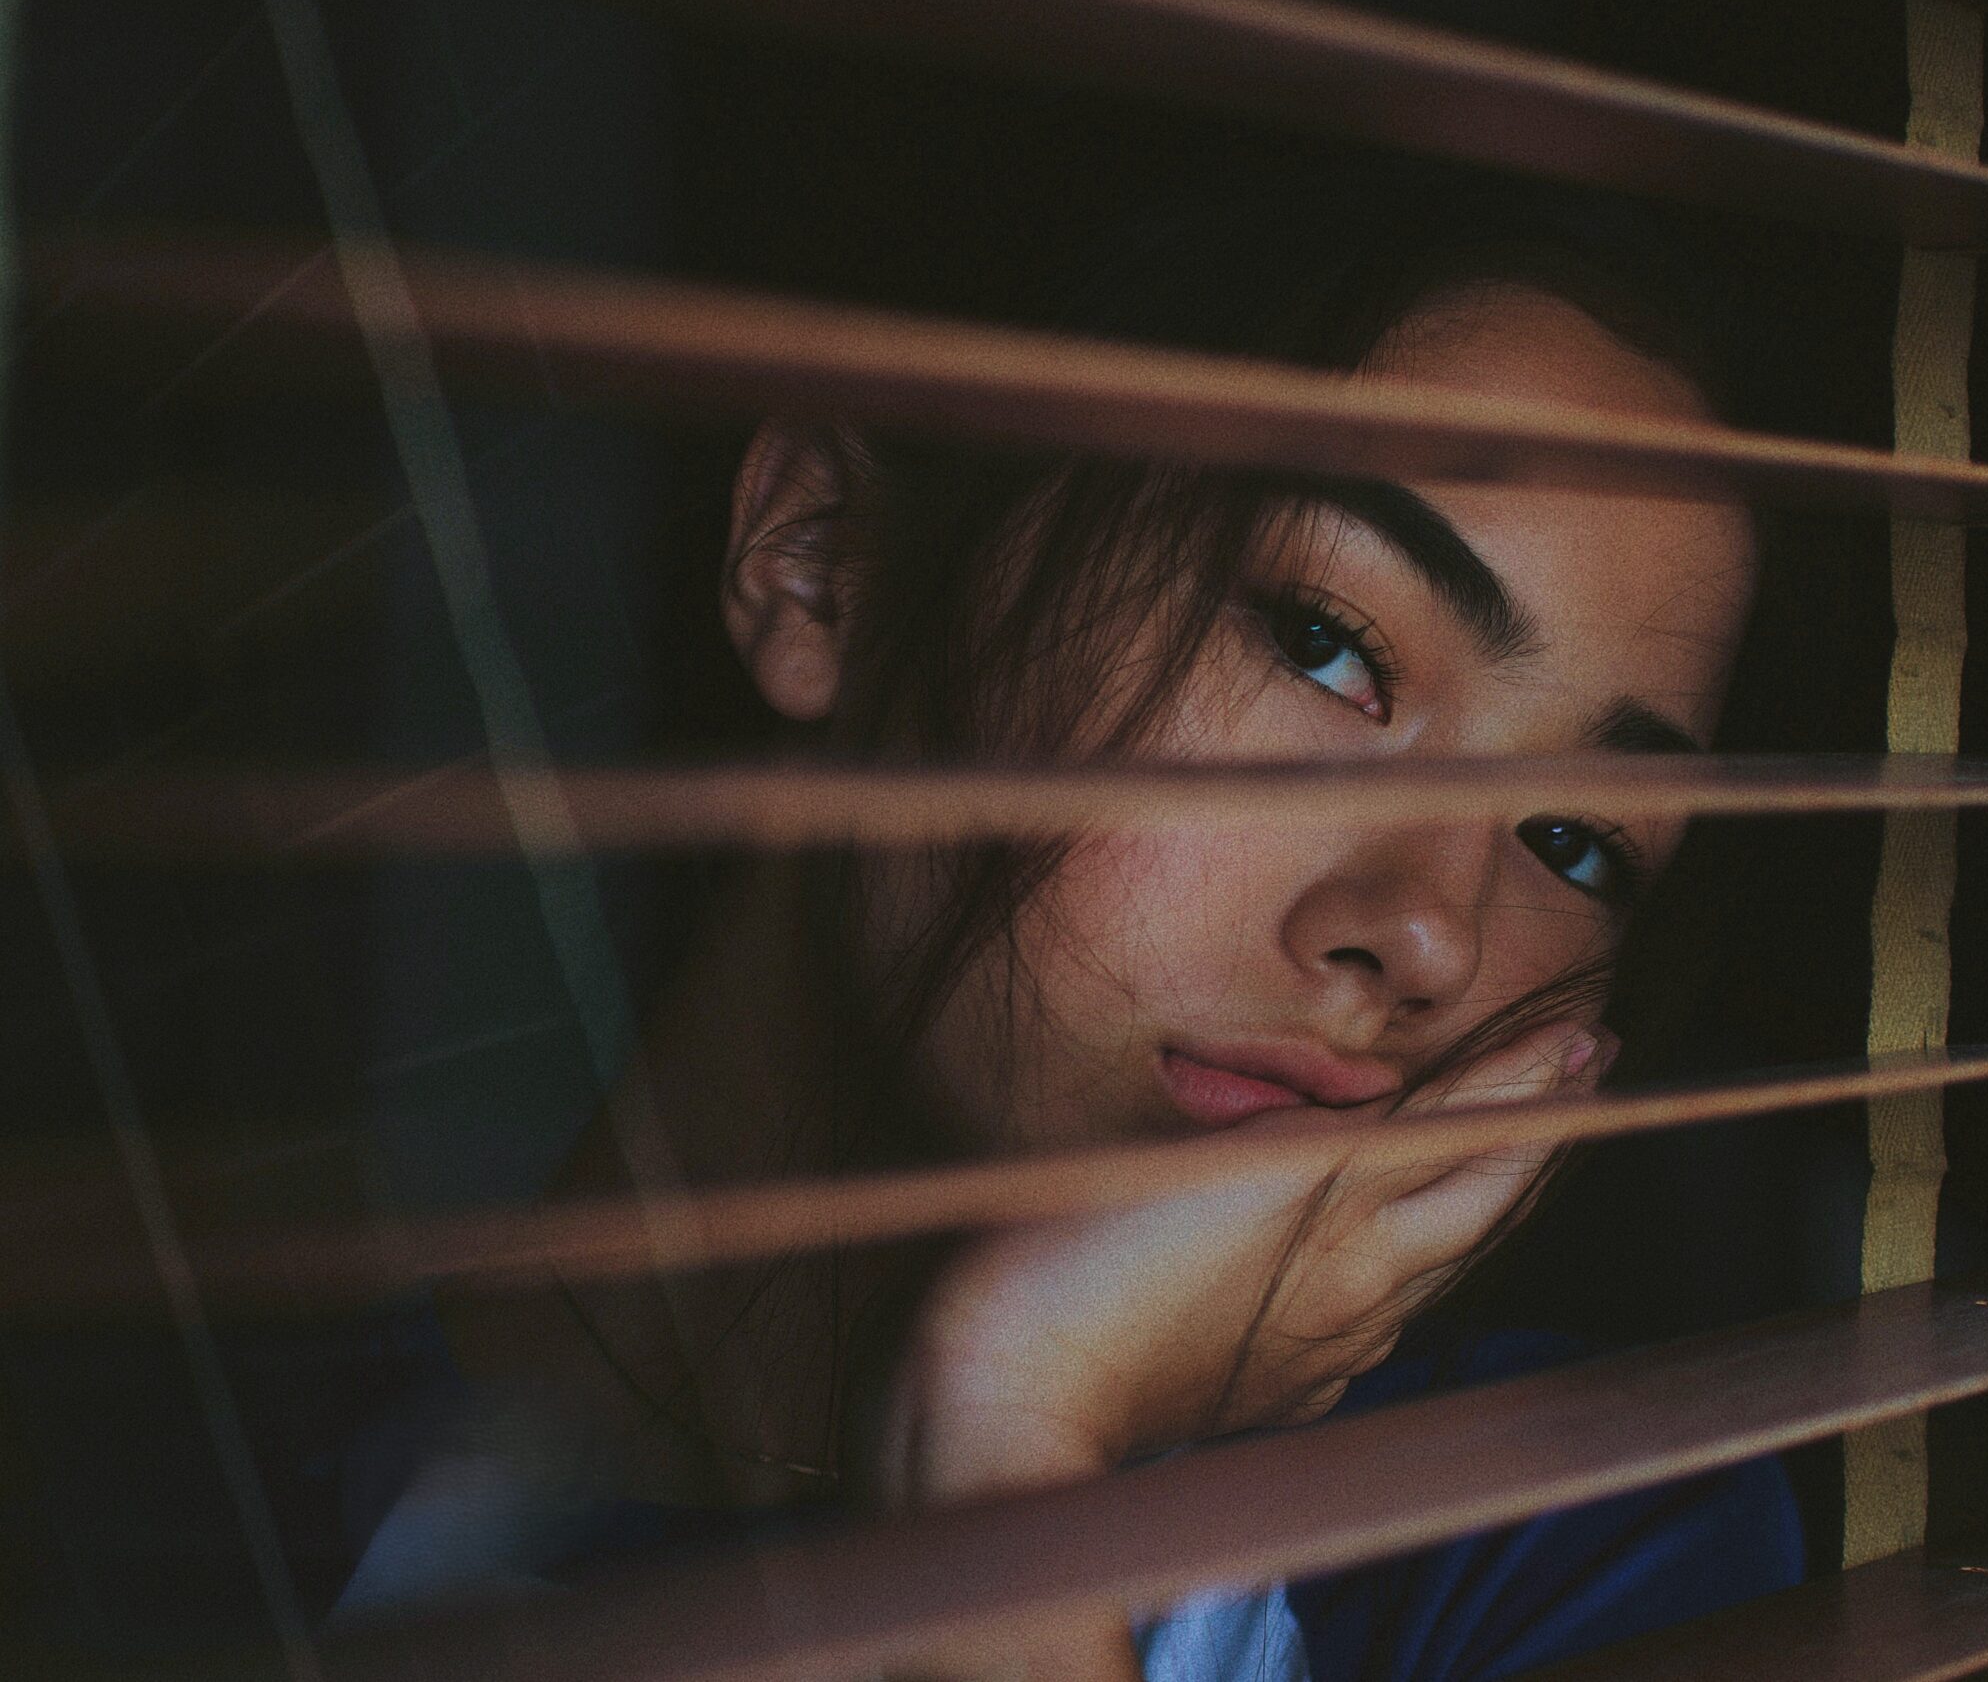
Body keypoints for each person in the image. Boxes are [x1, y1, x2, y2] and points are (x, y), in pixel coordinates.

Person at [336, 168, 1796, 1679]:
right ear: (825, 564)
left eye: (1577, 840)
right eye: (1327, 644)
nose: (1430, 935)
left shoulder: (1557, 1552)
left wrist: (1007, 1435)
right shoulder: (199, 1472)